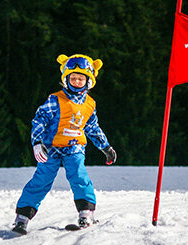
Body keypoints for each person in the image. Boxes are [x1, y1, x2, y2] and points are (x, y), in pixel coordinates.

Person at [12, 54, 117, 235]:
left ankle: (86, 213)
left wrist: (105, 147)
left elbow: (92, 127)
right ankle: (22, 218)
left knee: (78, 174)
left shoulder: (90, 104)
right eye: (73, 78)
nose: (76, 81)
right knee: (41, 179)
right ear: (66, 79)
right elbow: (39, 121)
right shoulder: (55, 99)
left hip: (74, 146)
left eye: (81, 78)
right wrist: (37, 142)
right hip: (51, 147)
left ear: (88, 81)